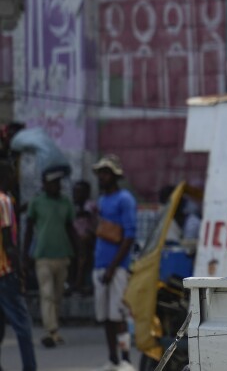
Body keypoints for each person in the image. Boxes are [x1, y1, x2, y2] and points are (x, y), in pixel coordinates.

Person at [92, 154, 137, 371]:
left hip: (117, 268)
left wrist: (112, 267)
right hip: (100, 265)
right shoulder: (101, 201)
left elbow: (129, 236)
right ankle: (113, 358)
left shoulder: (125, 199)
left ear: (114, 175)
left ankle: (126, 358)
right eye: (101, 172)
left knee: (118, 315)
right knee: (106, 318)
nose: (102, 176)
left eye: (106, 172)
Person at [24, 165, 77, 348]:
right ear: (44, 184)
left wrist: (78, 252)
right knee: (46, 294)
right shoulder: (37, 202)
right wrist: (26, 255)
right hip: (42, 255)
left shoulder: (65, 203)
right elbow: (29, 229)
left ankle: (54, 330)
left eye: (57, 183)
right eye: (52, 183)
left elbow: (71, 228)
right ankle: (51, 331)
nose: (55, 186)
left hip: (62, 254)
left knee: (57, 295)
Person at [0, 160, 36, 371]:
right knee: (22, 325)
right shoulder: (4, 201)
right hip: (5, 272)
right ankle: (29, 367)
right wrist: (20, 270)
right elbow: (8, 242)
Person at [70, 179, 97, 295]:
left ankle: (80, 283)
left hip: (88, 238)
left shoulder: (89, 205)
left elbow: (87, 214)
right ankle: (74, 282)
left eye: (79, 193)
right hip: (75, 239)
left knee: (84, 259)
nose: (76, 195)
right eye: (75, 193)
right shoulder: (73, 206)